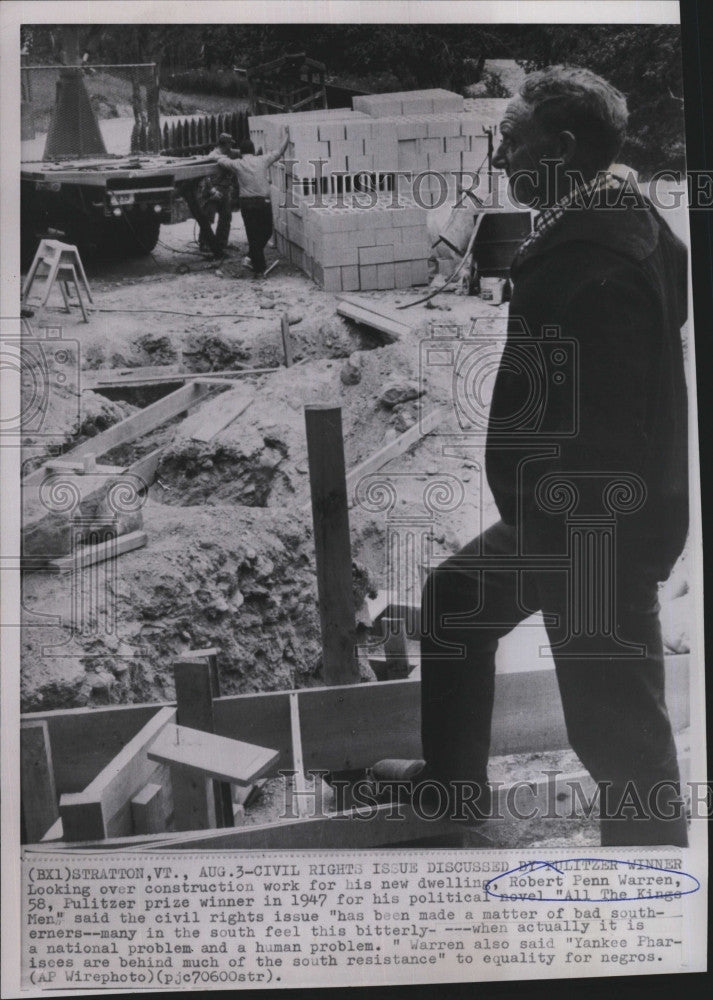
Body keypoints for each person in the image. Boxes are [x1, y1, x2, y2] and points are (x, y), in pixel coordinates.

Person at [378, 67, 689, 847]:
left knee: (617, 734)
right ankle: (452, 790)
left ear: (565, 146)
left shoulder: (599, 263)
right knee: (455, 602)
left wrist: (576, 555)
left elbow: (612, 434)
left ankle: (653, 885)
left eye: (511, 144)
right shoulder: (620, 220)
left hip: (592, 533)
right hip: (561, 516)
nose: (499, 160)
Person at [216, 128, 290, 275]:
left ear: (241, 152)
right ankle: (255, 263)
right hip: (263, 202)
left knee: (252, 235)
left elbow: (220, 160)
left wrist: (219, 153)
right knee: (267, 230)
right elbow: (280, 151)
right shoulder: (263, 160)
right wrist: (287, 136)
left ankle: (256, 264)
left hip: (246, 204)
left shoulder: (237, 164)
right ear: (254, 150)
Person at [197, 132, 240, 253]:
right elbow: (206, 176)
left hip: (225, 190)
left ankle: (221, 243)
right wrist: (212, 190)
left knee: (226, 217)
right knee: (208, 217)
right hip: (213, 190)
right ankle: (204, 243)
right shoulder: (212, 156)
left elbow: (238, 153)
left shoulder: (228, 153)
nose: (230, 147)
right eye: (229, 144)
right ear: (224, 144)